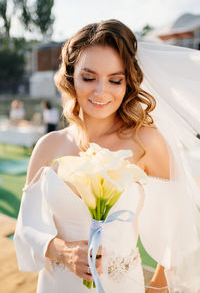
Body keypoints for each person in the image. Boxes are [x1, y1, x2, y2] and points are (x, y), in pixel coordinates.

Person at [14, 19, 200, 293]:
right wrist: (62, 250)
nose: (101, 92)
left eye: (115, 80)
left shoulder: (146, 142)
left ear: (128, 83)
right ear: (71, 75)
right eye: (89, 77)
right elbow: (26, 230)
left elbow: (179, 235)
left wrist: (157, 290)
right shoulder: (48, 146)